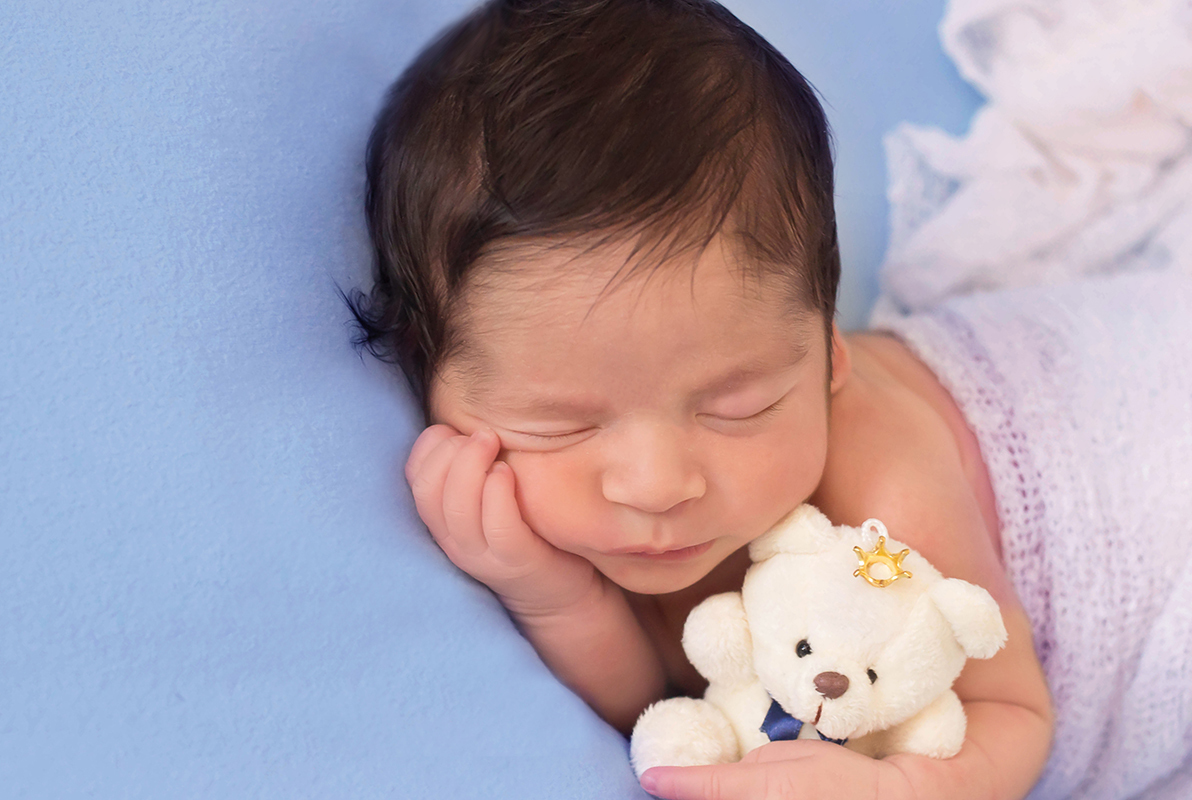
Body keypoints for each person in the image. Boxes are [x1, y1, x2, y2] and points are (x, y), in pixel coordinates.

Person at [347, 1, 1192, 797]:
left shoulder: (883, 495)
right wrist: (554, 595)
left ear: (825, 359)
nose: (658, 483)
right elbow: (664, 687)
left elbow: (1016, 714)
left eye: (736, 405)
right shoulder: (660, 491)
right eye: (563, 424)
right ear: (429, 374)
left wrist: (901, 785)